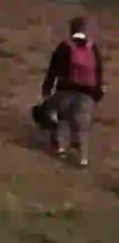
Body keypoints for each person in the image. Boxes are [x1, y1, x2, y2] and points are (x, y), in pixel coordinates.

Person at [41, 15, 106, 167]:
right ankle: (83, 158)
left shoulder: (64, 46)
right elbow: (99, 72)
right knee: (83, 124)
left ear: (71, 30)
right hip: (87, 94)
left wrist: (47, 89)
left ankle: (61, 148)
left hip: (65, 91)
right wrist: (97, 95)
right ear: (85, 30)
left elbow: (52, 70)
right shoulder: (93, 48)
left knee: (63, 117)